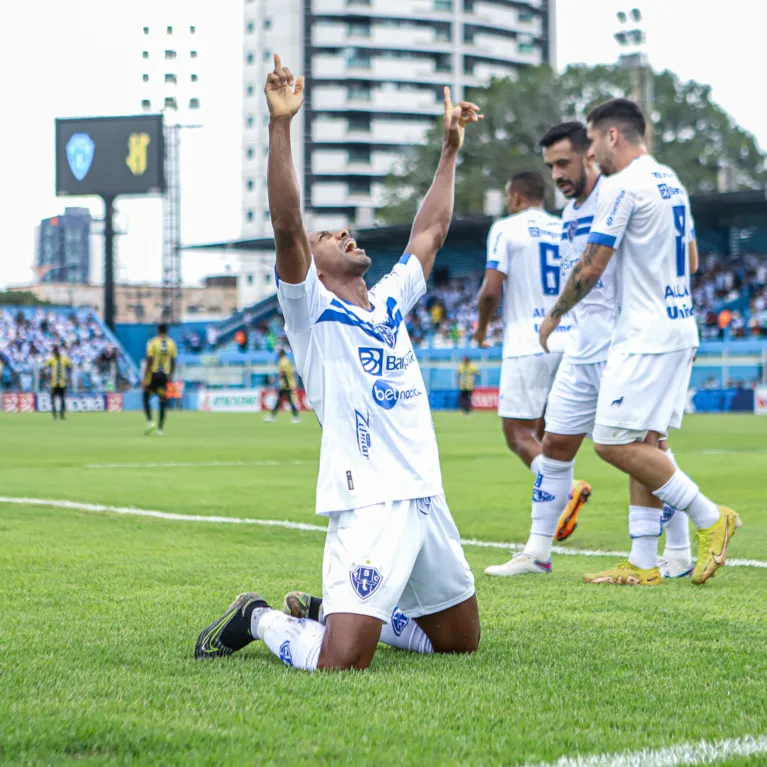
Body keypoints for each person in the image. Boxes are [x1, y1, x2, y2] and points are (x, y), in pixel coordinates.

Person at [196, 54, 481, 670]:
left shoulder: (388, 303)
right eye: (331, 236)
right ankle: (259, 616)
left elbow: (429, 231)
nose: (345, 233)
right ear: (315, 265)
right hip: (370, 501)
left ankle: (329, 607)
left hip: (424, 495)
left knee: (459, 641)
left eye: (344, 231)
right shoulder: (311, 312)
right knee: (341, 663)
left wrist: (450, 150)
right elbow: (286, 225)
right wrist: (280, 126)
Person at [539, 98, 741, 586]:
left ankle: (712, 517)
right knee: (646, 440)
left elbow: (591, 265)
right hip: (679, 323)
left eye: (591, 141)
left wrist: (554, 314)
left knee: (611, 440)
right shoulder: (670, 180)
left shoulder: (621, 186)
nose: (591, 154)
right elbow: (692, 260)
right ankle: (645, 560)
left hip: (645, 332)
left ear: (612, 136)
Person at [474, 170, 586, 543]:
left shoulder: (506, 228)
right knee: (544, 433)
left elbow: (491, 289)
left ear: (517, 197)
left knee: (517, 433)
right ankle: (550, 518)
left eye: (509, 198)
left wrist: (482, 328)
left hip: (527, 343)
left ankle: (566, 494)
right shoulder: (564, 228)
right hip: (568, 340)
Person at [143, 323, 177, 436]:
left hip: (153, 374)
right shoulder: (171, 343)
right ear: (167, 331)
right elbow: (173, 362)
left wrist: (145, 377)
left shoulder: (153, 342)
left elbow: (149, 360)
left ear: (158, 330)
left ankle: (150, 421)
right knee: (163, 402)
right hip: (164, 376)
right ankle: (160, 429)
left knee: (145, 397)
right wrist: (171, 376)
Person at [264, 348, 300, 423]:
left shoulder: (283, 362)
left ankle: (273, 416)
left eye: (279, 353)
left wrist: (279, 381)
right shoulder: (286, 360)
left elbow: (284, 373)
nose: (278, 354)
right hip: (287, 384)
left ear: (282, 353)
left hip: (286, 384)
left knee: (286, 400)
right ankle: (295, 417)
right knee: (283, 400)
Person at [46, 345, 72, 420]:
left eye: (56, 351)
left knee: (62, 399)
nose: (55, 353)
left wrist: (68, 377)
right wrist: (47, 376)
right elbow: (45, 368)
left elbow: (70, 367)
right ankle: (54, 415)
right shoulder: (51, 360)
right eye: (54, 352)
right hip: (53, 383)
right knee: (53, 400)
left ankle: (62, 415)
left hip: (62, 383)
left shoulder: (64, 359)